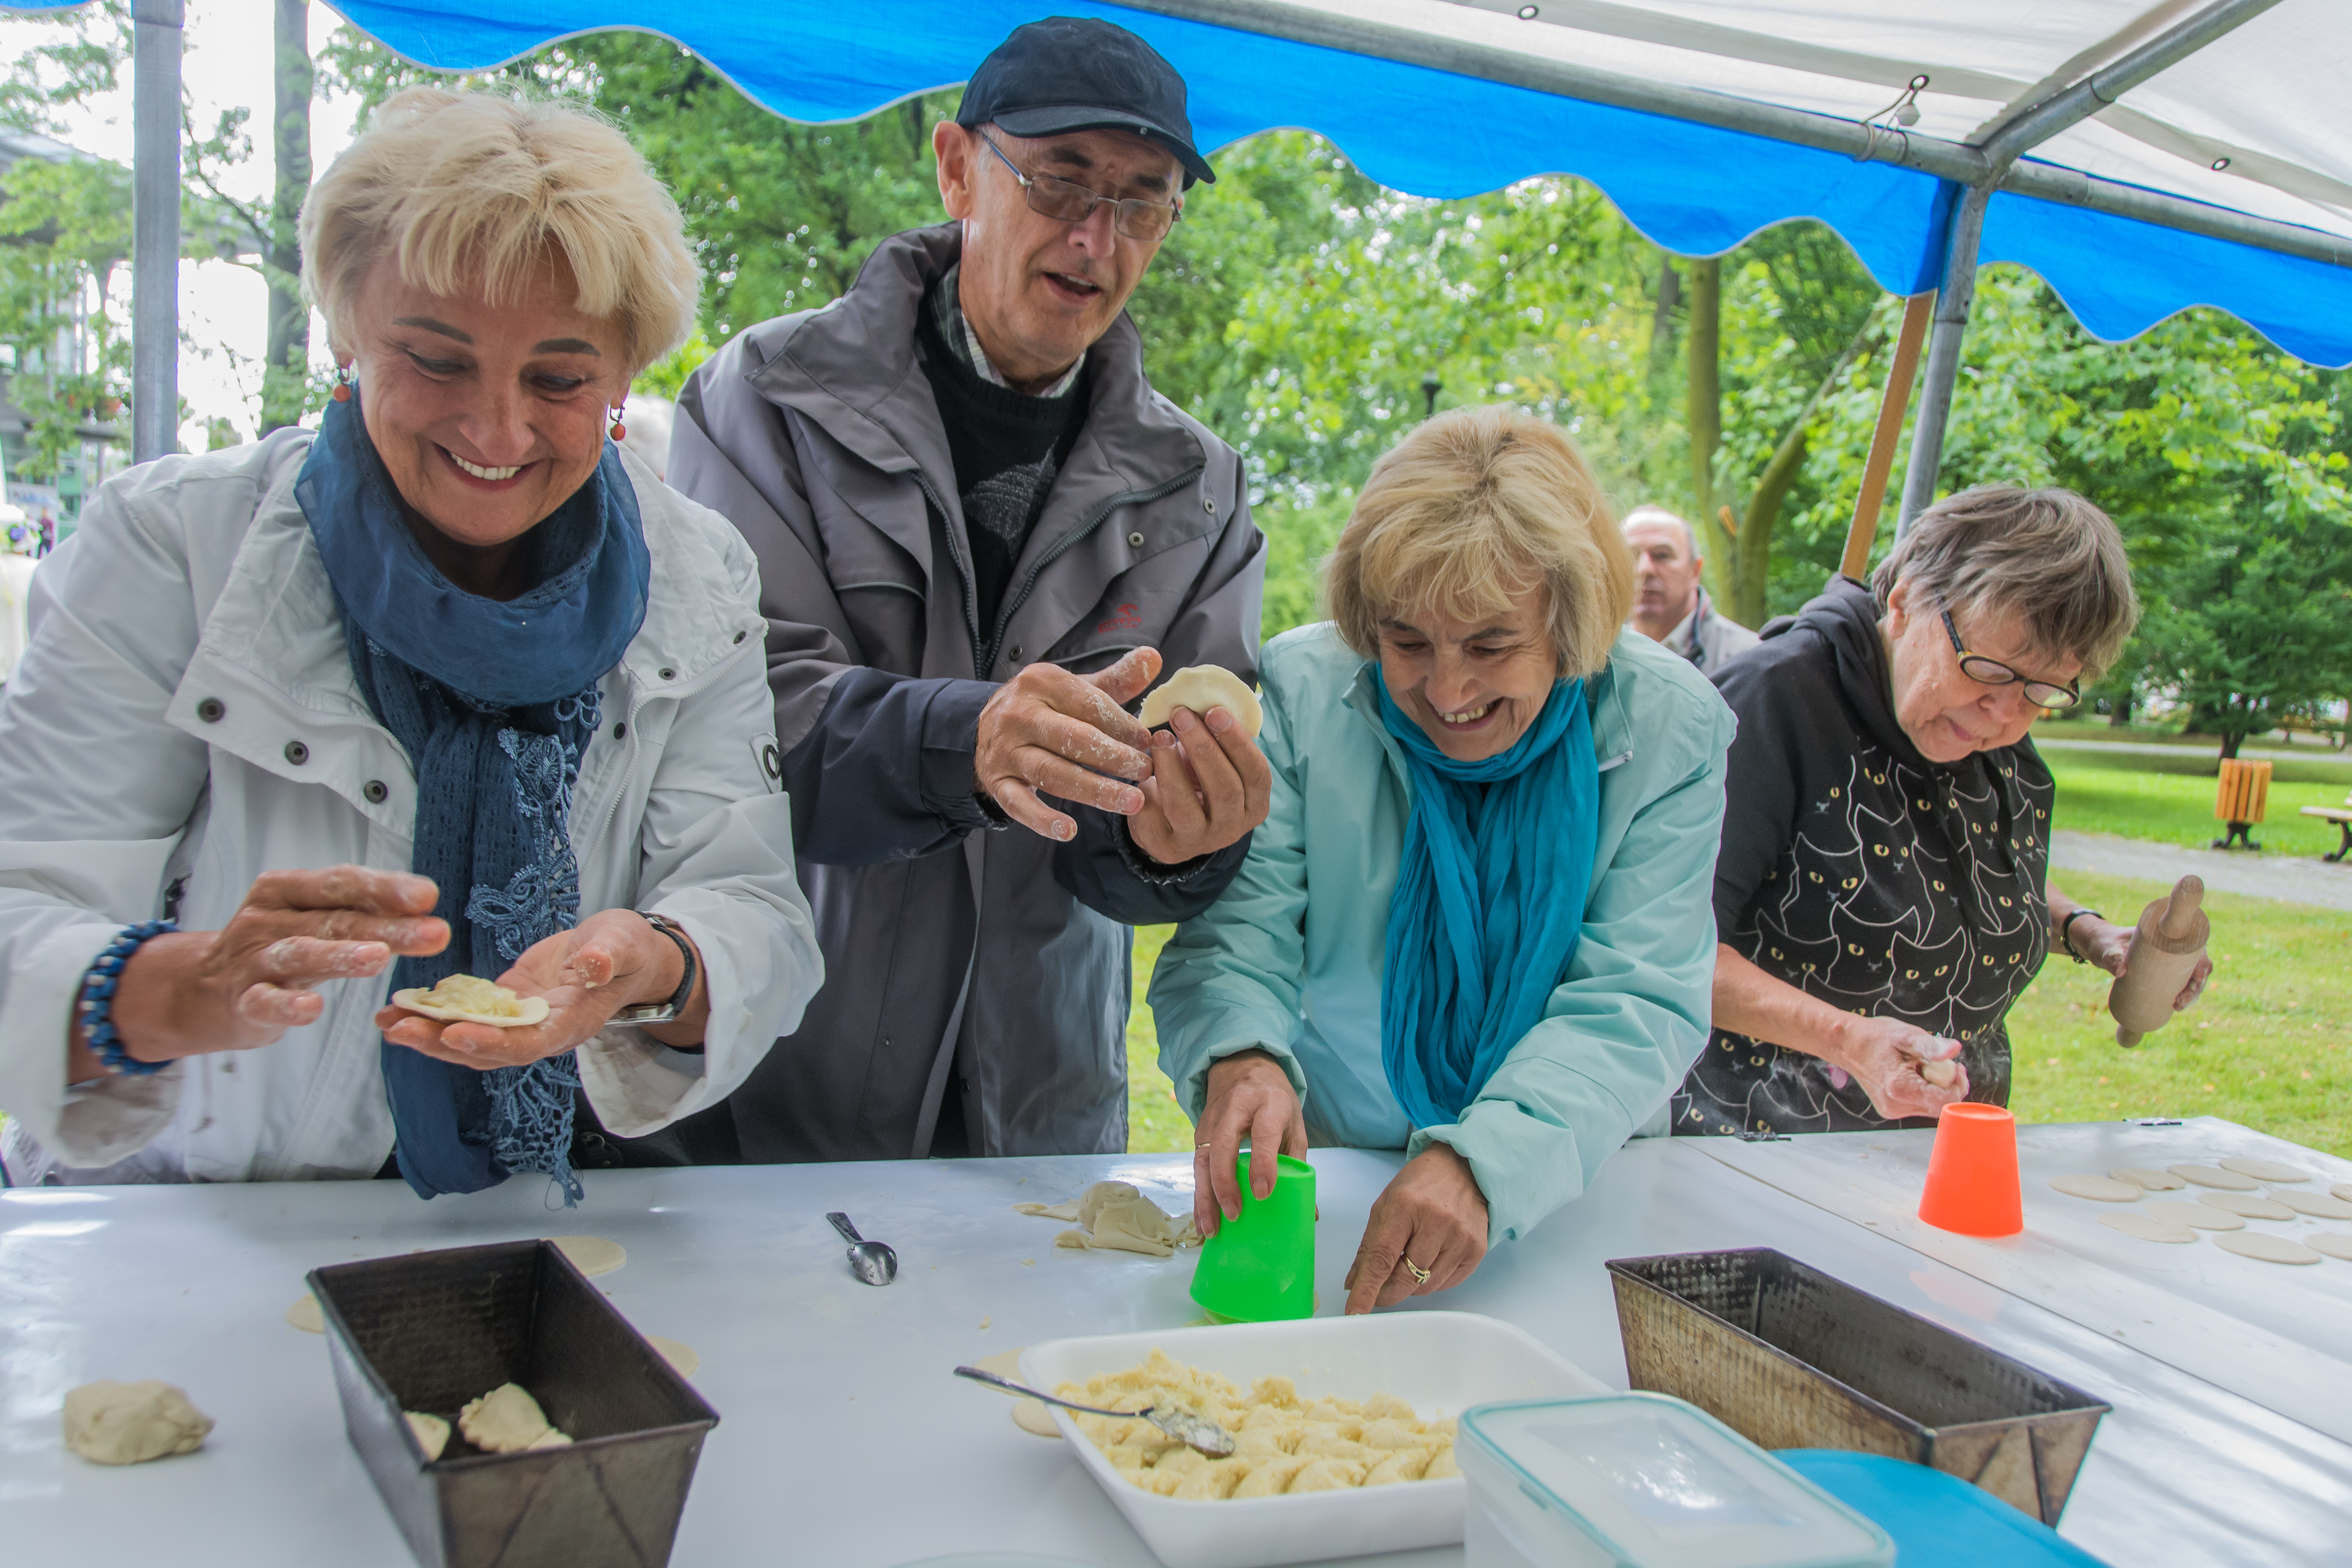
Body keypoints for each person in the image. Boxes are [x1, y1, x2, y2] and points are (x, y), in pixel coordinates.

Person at [0, 89, 822, 1191]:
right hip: (182, 1227)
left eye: (560, 378)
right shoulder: (170, 548)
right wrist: (184, 985)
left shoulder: (698, 574)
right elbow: (24, 905)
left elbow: (754, 914)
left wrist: (656, 966)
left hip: (527, 1227)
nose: (496, 429)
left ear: (627, 373)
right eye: (435, 360)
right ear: (348, 330)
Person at [670, 17, 1269, 1163]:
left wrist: (1177, 846)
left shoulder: (1198, 489)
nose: (1097, 239)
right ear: (956, 168)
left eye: (1142, 203)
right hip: (781, 1092)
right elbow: (734, 730)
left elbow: (1139, 850)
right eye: (1060, 183)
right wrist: (970, 742)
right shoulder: (760, 404)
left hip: (1037, 1118)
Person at [1150, 407, 1734, 1313]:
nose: (1448, 690)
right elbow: (1241, 929)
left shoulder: (1673, 726)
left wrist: (1481, 1162)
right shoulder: (1301, 693)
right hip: (1344, 1175)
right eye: (1407, 642)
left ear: (1571, 623)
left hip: (1568, 1194)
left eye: (1493, 644)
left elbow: (1637, 996)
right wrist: (1245, 1056)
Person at [1672, 486, 2208, 1135]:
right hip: (1756, 1148)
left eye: (2045, 691)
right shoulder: (1769, 705)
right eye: (1988, 670)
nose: (2008, 715)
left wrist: (2086, 931)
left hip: (1936, 1153)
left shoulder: (1978, 717)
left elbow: (1970, 870)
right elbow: (1673, 951)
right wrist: (1845, 1038)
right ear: (1903, 604)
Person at [1622, 505, 1758, 672]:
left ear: (1695, 571)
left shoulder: (1749, 659)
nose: (1644, 569)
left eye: (1662, 555)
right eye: (1630, 556)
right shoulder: (1595, 656)